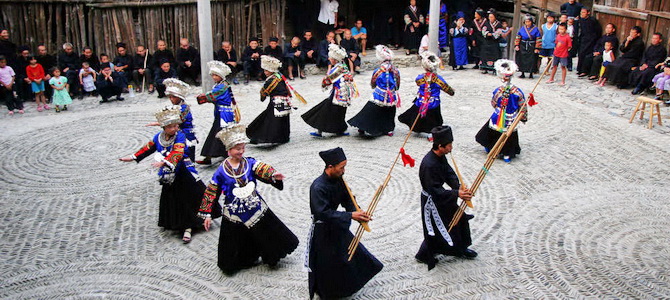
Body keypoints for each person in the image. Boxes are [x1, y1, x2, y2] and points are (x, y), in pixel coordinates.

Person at [198, 124, 299, 274]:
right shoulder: (220, 172)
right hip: (233, 210)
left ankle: (271, 255)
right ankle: (239, 261)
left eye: (243, 148)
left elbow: (261, 168)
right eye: (238, 149)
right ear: (229, 150)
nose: (241, 151)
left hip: (254, 205)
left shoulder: (249, 162)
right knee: (235, 238)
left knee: (266, 231)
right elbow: (212, 191)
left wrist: (272, 175)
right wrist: (206, 213)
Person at [120, 105, 209, 244]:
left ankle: (189, 227)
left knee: (187, 198)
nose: (175, 129)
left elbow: (178, 151)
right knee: (173, 199)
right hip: (169, 174)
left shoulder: (180, 135)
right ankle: (175, 222)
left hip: (182, 171)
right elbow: (148, 148)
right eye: (171, 127)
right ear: (164, 127)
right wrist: (132, 156)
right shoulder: (158, 137)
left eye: (176, 126)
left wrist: (166, 162)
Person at [307, 147, 383, 299]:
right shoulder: (318, 187)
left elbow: (347, 198)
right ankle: (328, 292)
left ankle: (345, 287)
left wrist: (358, 212)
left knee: (354, 256)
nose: (344, 171)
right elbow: (323, 213)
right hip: (324, 231)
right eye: (341, 168)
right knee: (328, 264)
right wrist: (350, 215)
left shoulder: (339, 180)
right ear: (330, 167)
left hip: (337, 226)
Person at [415, 125, 476, 270]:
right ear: (440, 146)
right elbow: (434, 190)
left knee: (459, 219)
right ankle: (424, 254)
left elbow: (449, 173)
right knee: (436, 228)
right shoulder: (429, 164)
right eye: (449, 146)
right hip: (433, 201)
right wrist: (456, 194)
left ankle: (460, 248)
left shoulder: (441, 156)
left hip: (442, 197)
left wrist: (458, 187)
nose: (451, 148)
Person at [475, 59, 527, 163]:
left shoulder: (498, 91)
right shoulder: (518, 92)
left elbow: (493, 102)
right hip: (511, 117)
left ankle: (490, 146)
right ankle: (507, 154)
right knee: (509, 134)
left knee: (494, 129)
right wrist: (523, 117)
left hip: (498, 115)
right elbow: (522, 107)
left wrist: (499, 109)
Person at [302, 44, 357, 137]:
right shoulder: (344, 66)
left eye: (330, 58)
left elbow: (327, 81)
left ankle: (323, 129)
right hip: (344, 94)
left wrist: (324, 81)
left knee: (327, 110)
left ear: (335, 59)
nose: (329, 59)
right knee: (338, 112)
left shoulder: (337, 69)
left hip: (338, 94)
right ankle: (339, 129)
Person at [398, 51, 454, 138]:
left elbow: (418, 83)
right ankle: (431, 133)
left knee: (418, 114)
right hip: (433, 102)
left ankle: (418, 128)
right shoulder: (438, 79)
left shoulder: (420, 78)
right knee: (434, 119)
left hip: (422, 100)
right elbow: (448, 90)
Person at [348, 45, 400, 137]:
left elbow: (373, 82)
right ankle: (389, 129)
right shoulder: (395, 70)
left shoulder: (378, 71)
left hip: (379, 93)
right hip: (391, 95)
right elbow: (397, 84)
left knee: (371, 110)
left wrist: (375, 87)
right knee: (389, 112)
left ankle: (363, 126)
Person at [247, 55, 297, 145]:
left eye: (267, 70)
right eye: (265, 70)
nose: (265, 72)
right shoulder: (280, 76)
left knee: (272, 120)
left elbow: (264, 93)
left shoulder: (271, 80)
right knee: (282, 119)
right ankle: (284, 137)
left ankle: (268, 137)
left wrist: (262, 97)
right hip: (284, 100)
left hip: (276, 101)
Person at [196, 61, 237, 165]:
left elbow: (213, 95)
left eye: (216, 75)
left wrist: (202, 97)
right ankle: (214, 155)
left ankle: (211, 155)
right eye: (213, 75)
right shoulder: (221, 85)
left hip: (224, 114)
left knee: (219, 133)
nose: (214, 77)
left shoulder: (222, 86)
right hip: (220, 112)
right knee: (219, 133)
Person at [146, 78, 198, 161]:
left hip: (186, 134)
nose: (171, 99)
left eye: (173, 97)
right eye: (170, 97)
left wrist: (157, 123)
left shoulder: (184, 108)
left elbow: (175, 120)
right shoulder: (177, 107)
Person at [576, 8, 601, 77]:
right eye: (581, 12)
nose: (582, 14)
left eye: (584, 12)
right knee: (581, 54)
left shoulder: (593, 21)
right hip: (583, 39)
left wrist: (594, 39)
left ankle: (585, 71)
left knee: (587, 55)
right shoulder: (581, 20)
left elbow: (597, 31)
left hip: (591, 40)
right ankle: (580, 69)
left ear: (588, 13)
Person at [515, 14, 542, 78]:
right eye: (526, 21)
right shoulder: (522, 28)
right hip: (523, 45)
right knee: (522, 59)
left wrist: (537, 48)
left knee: (532, 60)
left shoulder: (535, 29)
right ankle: (522, 73)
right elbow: (518, 37)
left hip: (532, 46)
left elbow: (538, 38)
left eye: (529, 21)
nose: (527, 23)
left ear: (531, 22)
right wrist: (517, 45)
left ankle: (531, 73)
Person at [479, 9, 503, 73]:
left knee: (495, 55)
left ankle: (494, 69)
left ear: (495, 17)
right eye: (489, 17)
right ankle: (485, 68)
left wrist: (491, 34)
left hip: (494, 42)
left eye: (492, 17)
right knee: (485, 55)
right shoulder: (486, 23)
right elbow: (483, 31)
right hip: (486, 42)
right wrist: (487, 34)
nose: (490, 18)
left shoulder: (498, 24)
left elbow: (498, 33)